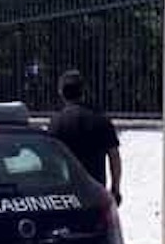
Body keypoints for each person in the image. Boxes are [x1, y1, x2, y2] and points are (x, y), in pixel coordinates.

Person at [48, 69, 122, 205]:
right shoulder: (101, 119)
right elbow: (114, 156)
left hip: (65, 195)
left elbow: (50, 161)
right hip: (95, 191)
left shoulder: (56, 122)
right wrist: (115, 189)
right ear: (83, 92)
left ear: (61, 93)